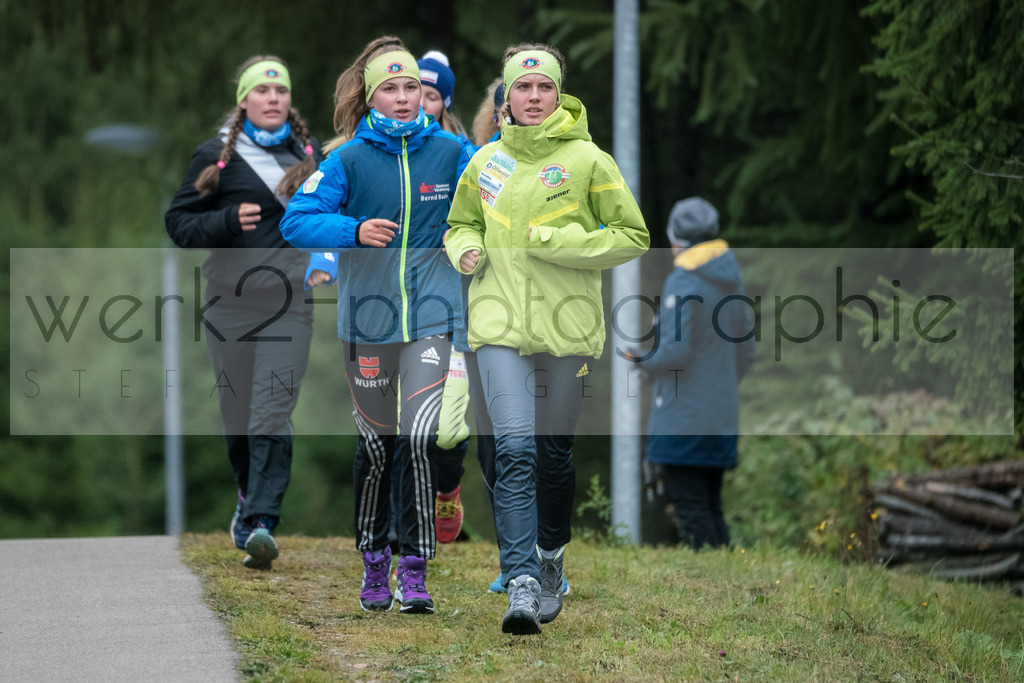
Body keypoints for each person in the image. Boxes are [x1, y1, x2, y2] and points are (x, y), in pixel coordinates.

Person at [445, 43, 649, 634]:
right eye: (522, 88)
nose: (533, 98)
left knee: (553, 456)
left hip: (567, 331)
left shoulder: (589, 161)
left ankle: (552, 559)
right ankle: (523, 581)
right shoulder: (484, 164)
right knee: (512, 450)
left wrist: (558, 242)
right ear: (504, 97)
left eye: (544, 88)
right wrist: (465, 250)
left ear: (559, 94)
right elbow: (460, 224)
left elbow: (632, 236)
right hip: (498, 325)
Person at [279, 36, 468, 614]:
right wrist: (353, 231)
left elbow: (498, 200)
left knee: (417, 437)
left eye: (413, 86)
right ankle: (374, 559)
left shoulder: (453, 153)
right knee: (378, 444)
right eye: (392, 87)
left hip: (434, 319)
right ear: (370, 97)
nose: (406, 97)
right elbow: (297, 221)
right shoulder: (347, 159)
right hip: (368, 324)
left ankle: (414, 569)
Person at [165, 55, 320, 571]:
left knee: (271, 410)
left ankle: (260, 522)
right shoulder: (217, 158)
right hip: (228, 306)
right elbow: (179, 224)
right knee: (237, 419)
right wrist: (227, 220)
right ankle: (246, 499)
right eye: (262, 91)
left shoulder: (311, 157)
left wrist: (328, 257)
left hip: (289, 305)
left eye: (281, 92)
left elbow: (337, 215)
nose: (273, 99)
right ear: (245, 101)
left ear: (289, 101)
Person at [630, 197, 755, 550]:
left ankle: (714, 584)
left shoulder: (683, 281)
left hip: (683, 417)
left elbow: (675, 351)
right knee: (711, 505)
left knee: (690, 506)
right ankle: (728, 578)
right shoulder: (732, 279)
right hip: (721, 414)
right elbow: (747, 351)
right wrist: (719, 382)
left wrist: (643, 360)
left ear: (676, 239)